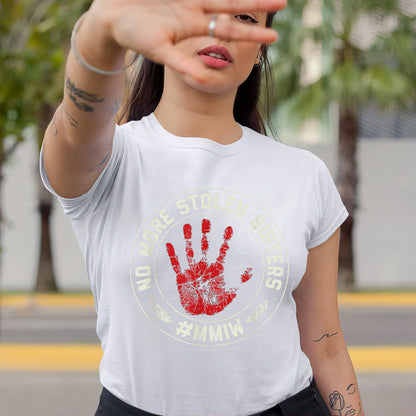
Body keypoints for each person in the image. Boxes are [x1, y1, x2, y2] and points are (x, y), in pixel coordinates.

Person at [40, 0, 365, 415]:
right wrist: (99, 31)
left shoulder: (304, 174)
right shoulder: (111, 161)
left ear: (261, 48)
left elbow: (327, 343)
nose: (224, 29)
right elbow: (78, 124)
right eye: (206, 11)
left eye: (245, 18)